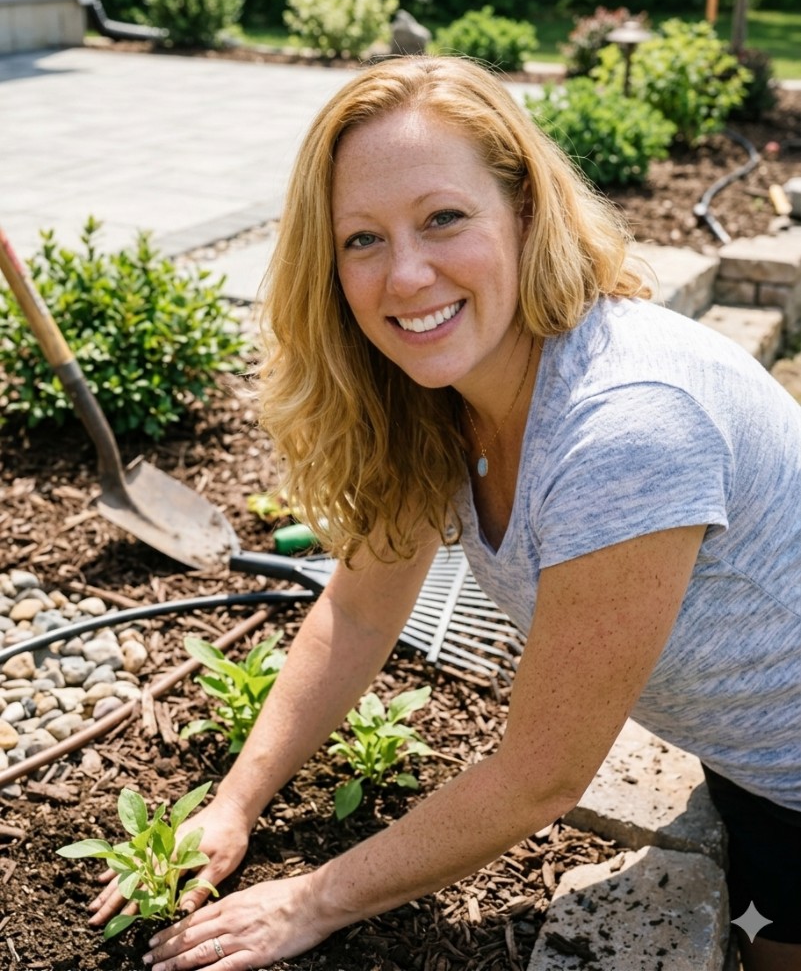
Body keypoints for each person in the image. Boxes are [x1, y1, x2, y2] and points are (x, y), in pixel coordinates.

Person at [89, 56, 801, 971]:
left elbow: (540, 777)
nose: (406, 274)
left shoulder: (626, 427)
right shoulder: (447, 396)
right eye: (362, 239)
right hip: (747, 755)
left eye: (443, 219)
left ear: (525, 211)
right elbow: (358, 612)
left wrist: (309, 902)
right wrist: (233, 803)